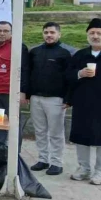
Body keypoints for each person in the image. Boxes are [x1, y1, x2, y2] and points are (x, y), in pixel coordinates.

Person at [65, 18, 101, 186]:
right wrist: (79, 74)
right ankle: (84, 168)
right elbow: (68, 77)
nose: (95, 36)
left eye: (99, 33)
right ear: (87, 35)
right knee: (81, 136)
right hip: (83, 103)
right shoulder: (80, 55)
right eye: (92, 33)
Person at [28, 22, 75, 176]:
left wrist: (68, 99)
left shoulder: (64, 54)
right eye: (46, 32)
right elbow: (29, 74)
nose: (49, 35)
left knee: (55, 133)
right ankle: (43, 159)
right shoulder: (35, 52)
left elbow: (70, 79)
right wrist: (28, 94)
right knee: (40, 131)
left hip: (56, 100)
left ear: (59, 34)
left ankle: (56, 162)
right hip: (36, 98)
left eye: (52, 32)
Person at [0, 21, 29, 150]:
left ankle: (15, 150)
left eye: (6, 31)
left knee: (14, 122)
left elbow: (25, 69)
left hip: (10, 92)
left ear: (11, 33)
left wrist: (22, 91)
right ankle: (1, 147)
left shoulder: (19, 47)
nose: (2, 33)